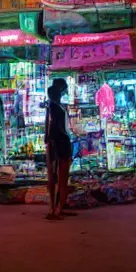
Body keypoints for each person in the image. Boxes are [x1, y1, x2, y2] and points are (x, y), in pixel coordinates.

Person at [45, 82, 75, 221]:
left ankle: (58, 208)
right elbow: (57, 131)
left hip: (56, 146)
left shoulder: (51, 109)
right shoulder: (56, 110)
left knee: (59, 179)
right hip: (59, 147)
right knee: (60, 179)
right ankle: (56, 209)